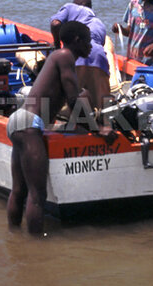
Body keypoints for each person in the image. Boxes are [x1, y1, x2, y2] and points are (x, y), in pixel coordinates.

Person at [6, 20, 116, 235]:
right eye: (87, 41)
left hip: (18, 121)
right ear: (76, 40)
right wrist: (99, 130)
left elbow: (77, 98)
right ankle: (37, 249)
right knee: (37, 195)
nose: (90, 46)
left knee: (19, 190)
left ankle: (14, 239)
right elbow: (74, 101)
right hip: (30, 124)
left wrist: (89, 119)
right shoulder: (65, 56)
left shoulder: (58, 58)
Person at [50, 0, 111, 111]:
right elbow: (96, 50)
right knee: (103, 106)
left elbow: (55, 24)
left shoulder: (70, 7)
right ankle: (103, 123)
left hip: (79, 53)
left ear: (76, 4)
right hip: (99, 56)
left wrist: (58, 48)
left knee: (68, 102)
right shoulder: (99, 23)